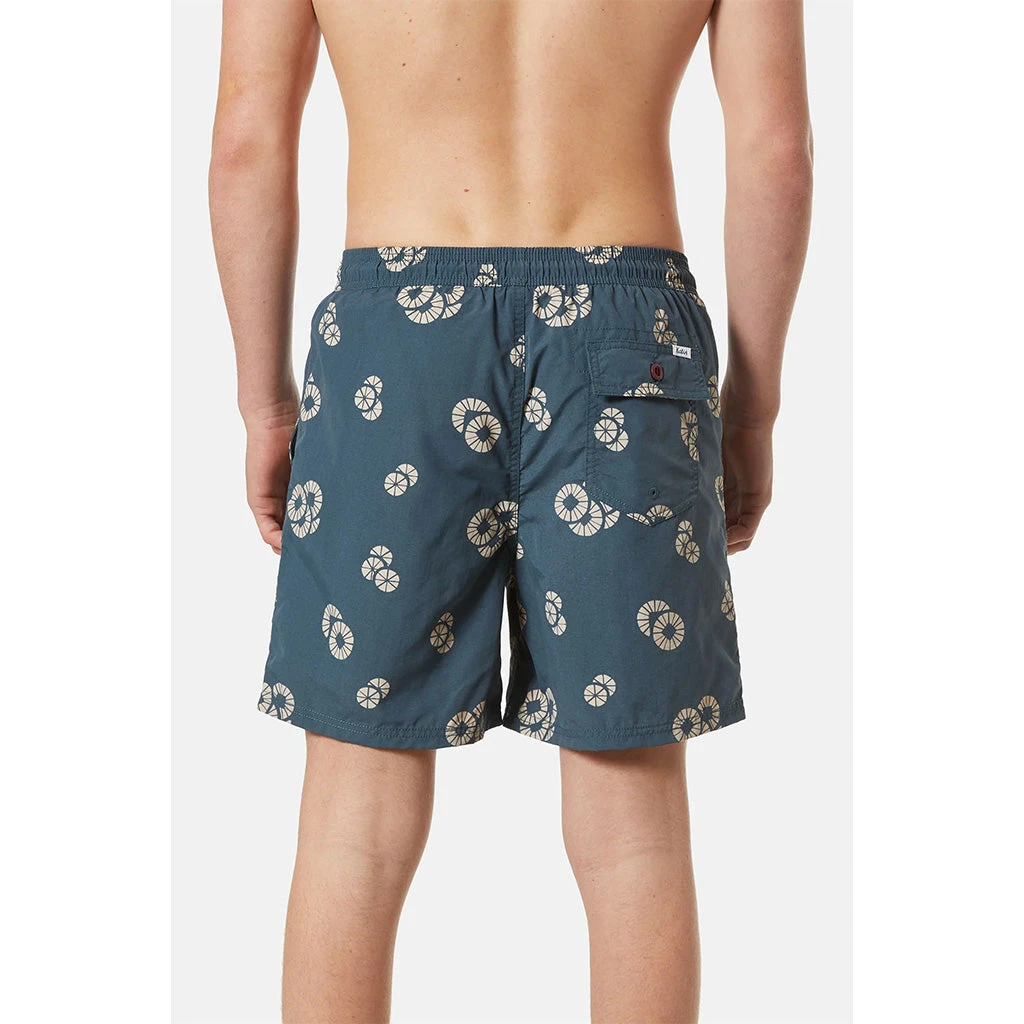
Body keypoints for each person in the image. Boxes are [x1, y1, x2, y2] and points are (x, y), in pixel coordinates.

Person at [209, 1, 811, 1020]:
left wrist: (265, 402)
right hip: (625, 341)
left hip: (394, 349)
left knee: (355, 825)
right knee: (632, 833)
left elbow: (245, 143)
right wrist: (751, 409)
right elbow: (774, 151)